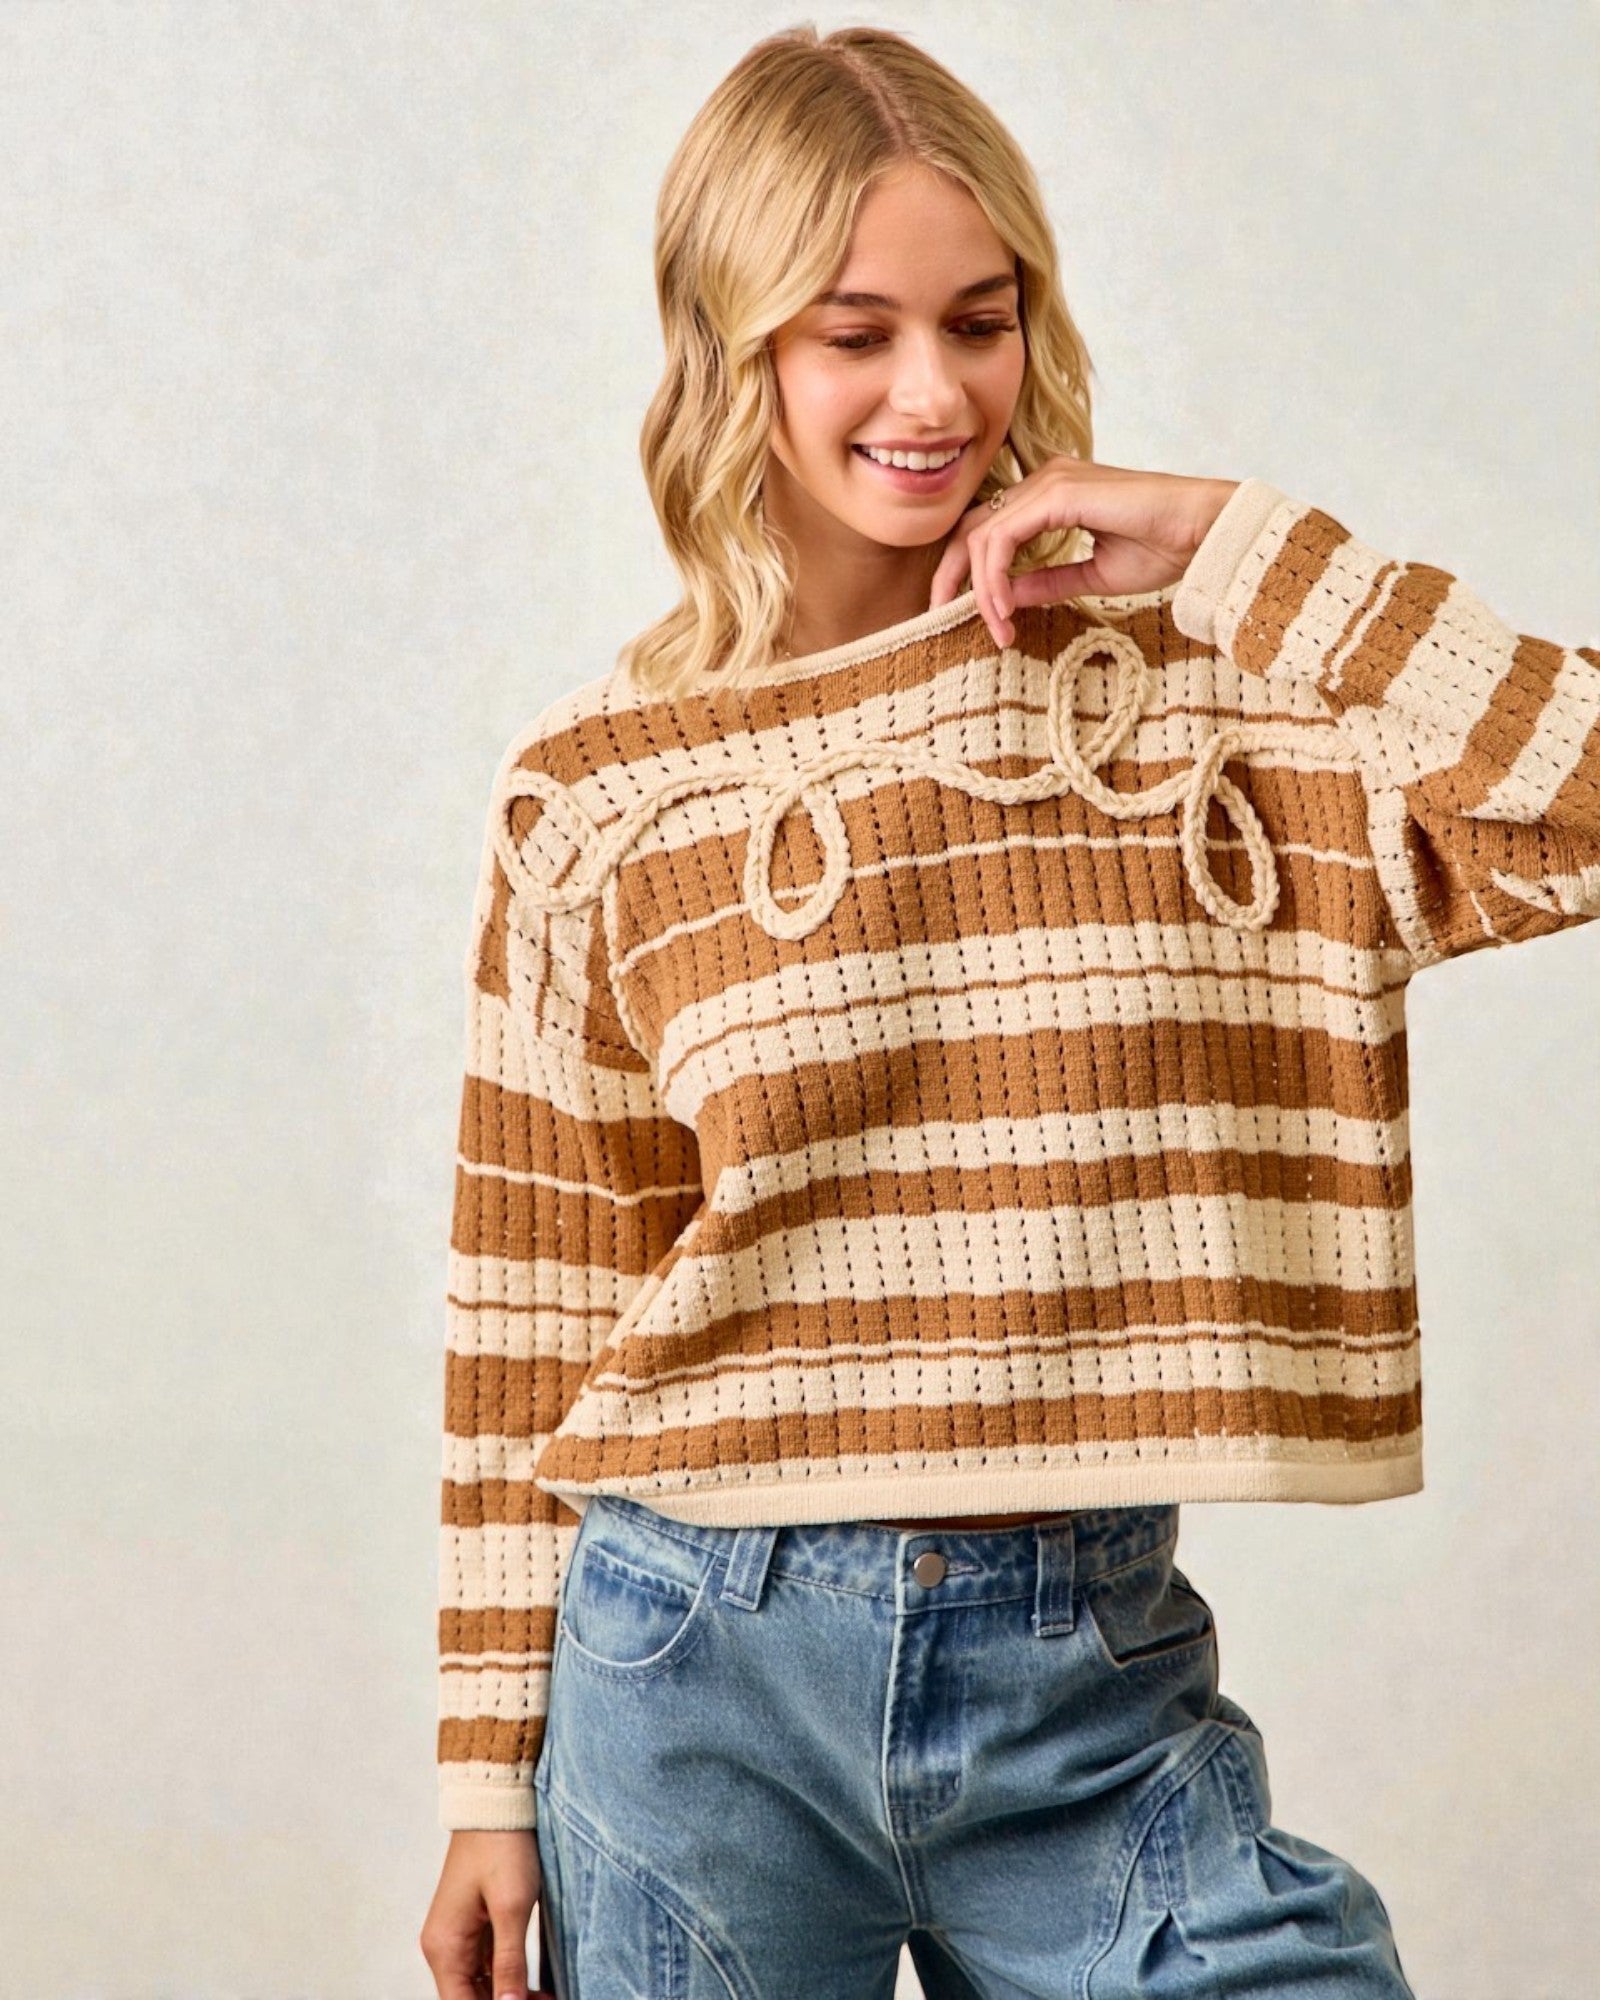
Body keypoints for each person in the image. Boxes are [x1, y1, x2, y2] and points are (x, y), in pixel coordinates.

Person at [419, 25, 1599, 2000]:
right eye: (850, 330)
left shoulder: (1187, 716)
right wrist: (482, 1771)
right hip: (691, 1659)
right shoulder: (602, 791)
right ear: (731, 350)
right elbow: (539, 1291)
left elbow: (1575, 794)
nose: (931, 390)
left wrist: (1230, 548)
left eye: (979, 321)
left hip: (1082, 1673)